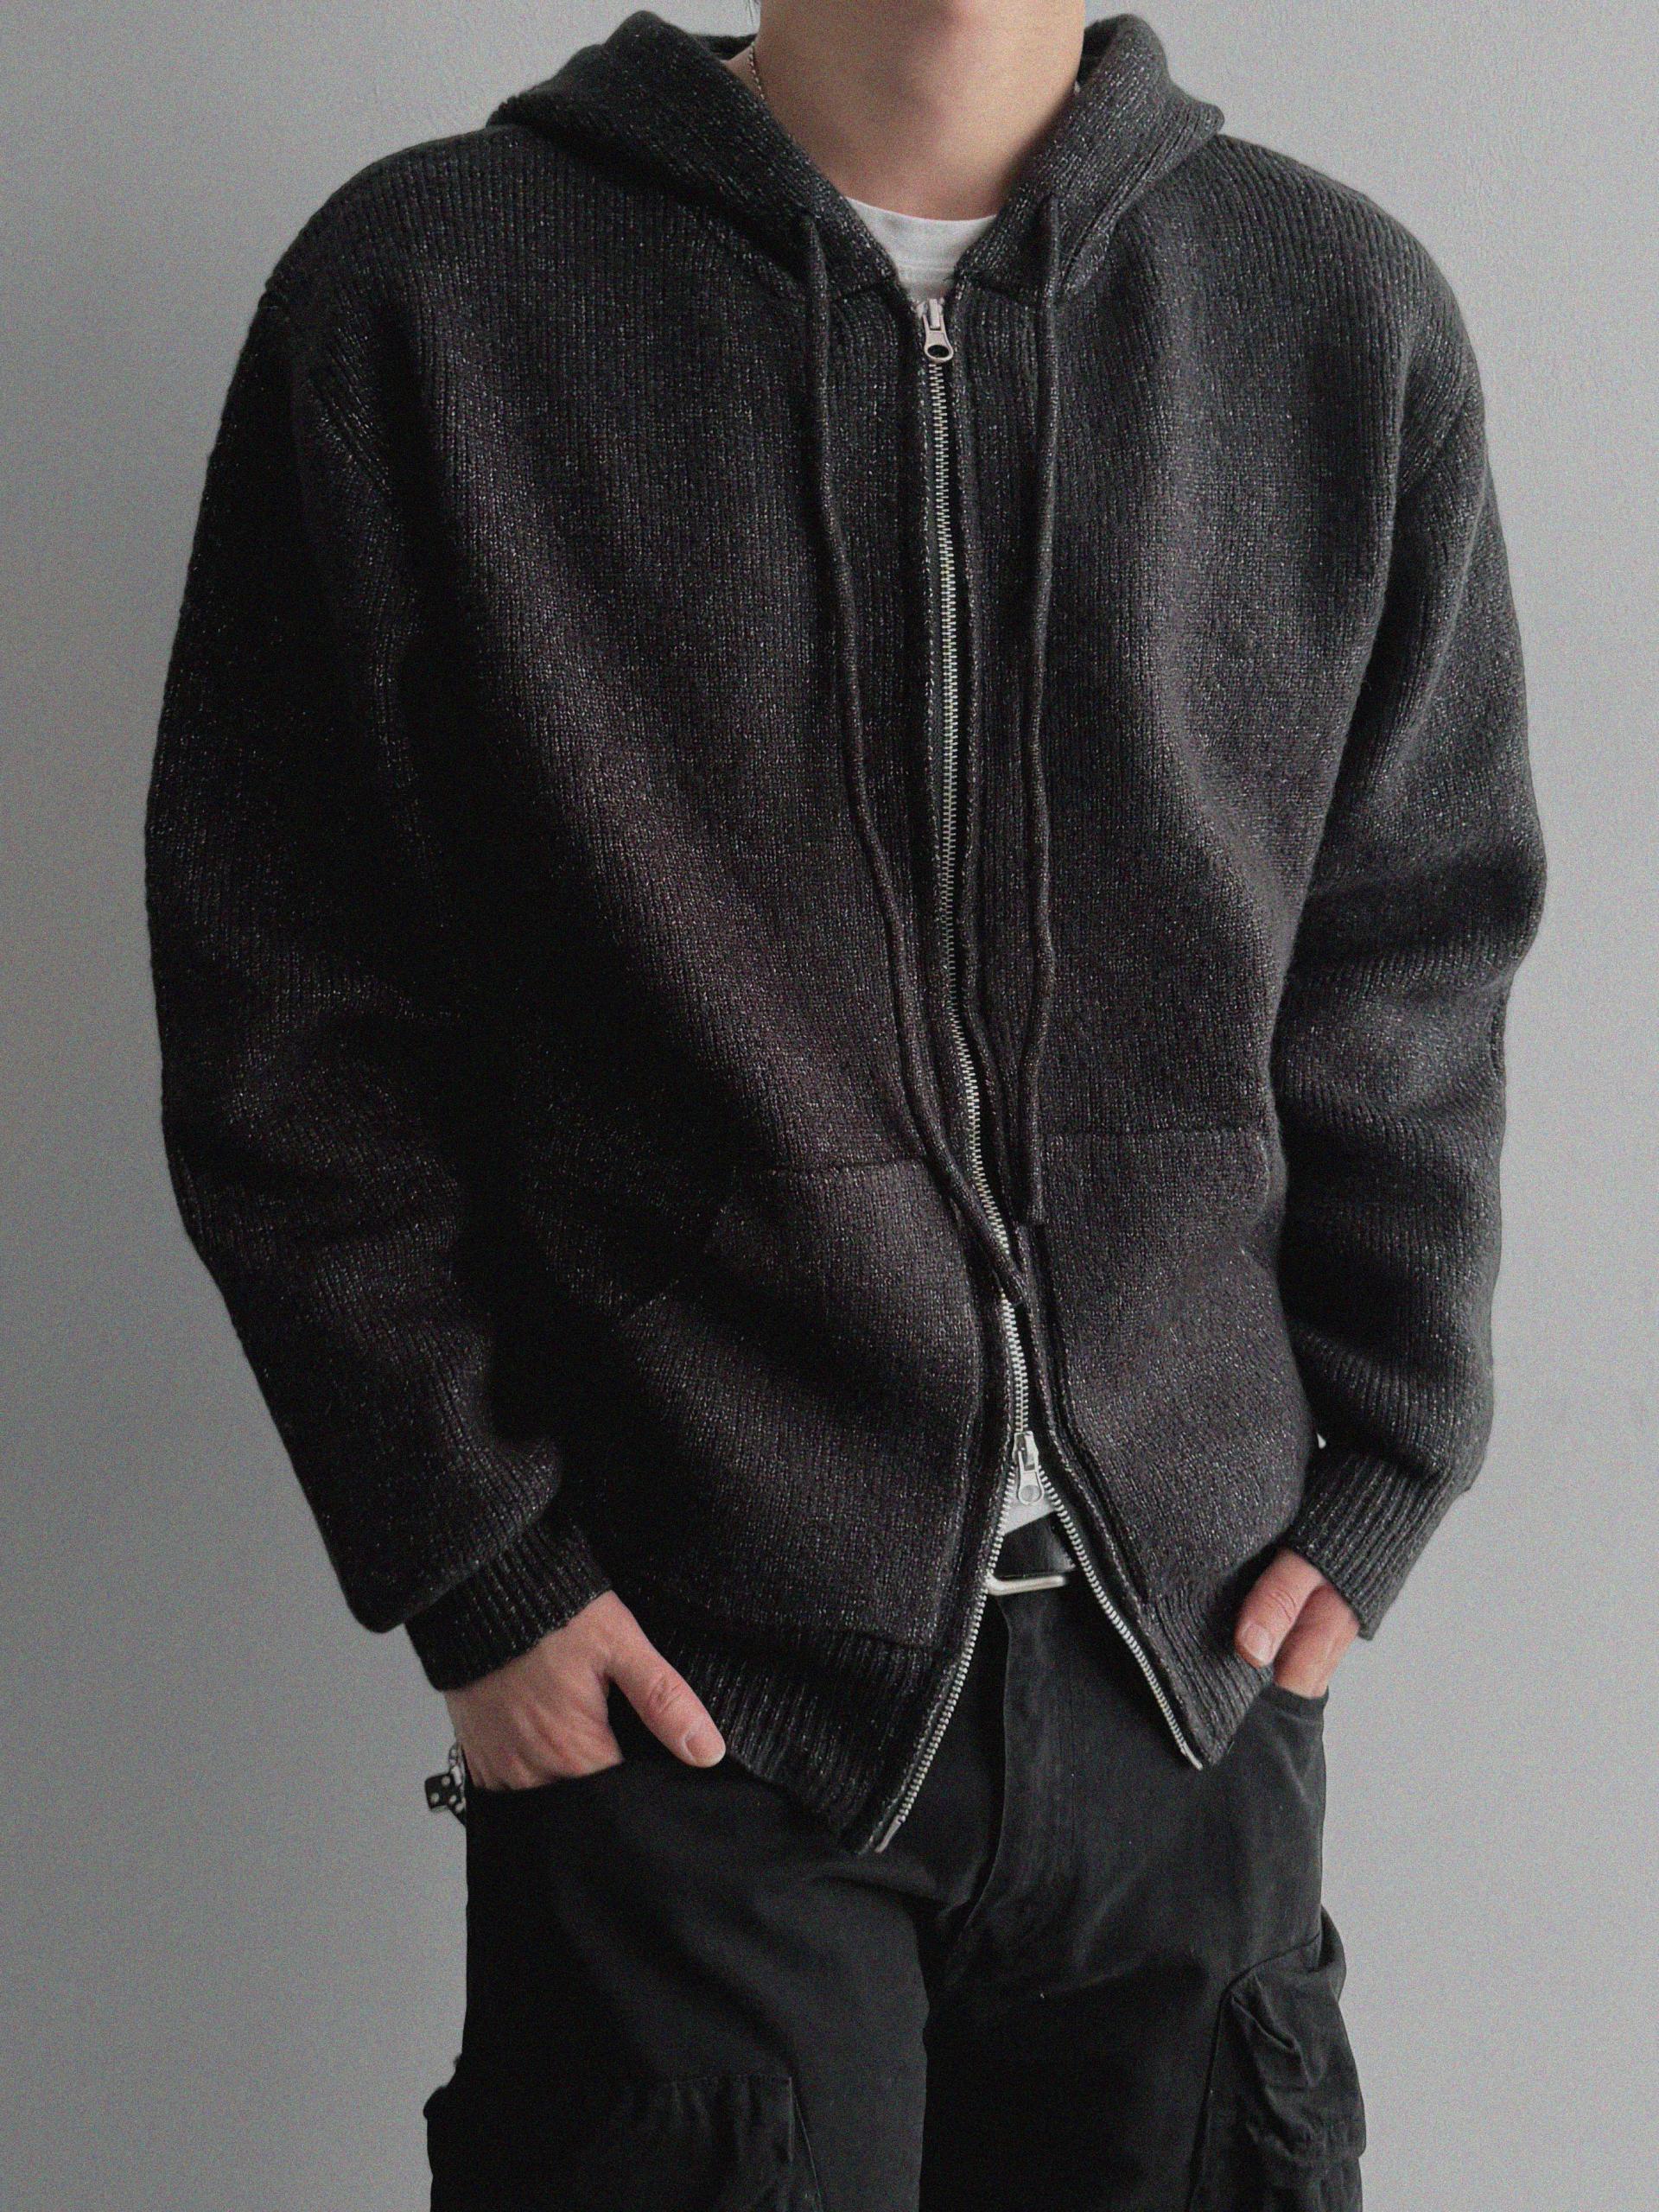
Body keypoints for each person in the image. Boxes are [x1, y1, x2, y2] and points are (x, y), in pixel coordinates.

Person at [143, 3, 1546, 2205]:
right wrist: (473, 1554)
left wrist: (1389, 1450)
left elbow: (1417, 948)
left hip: (1188, 1673)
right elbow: (284, 1000)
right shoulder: (431, 297)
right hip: (690, 1686)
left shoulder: (1331, 315)